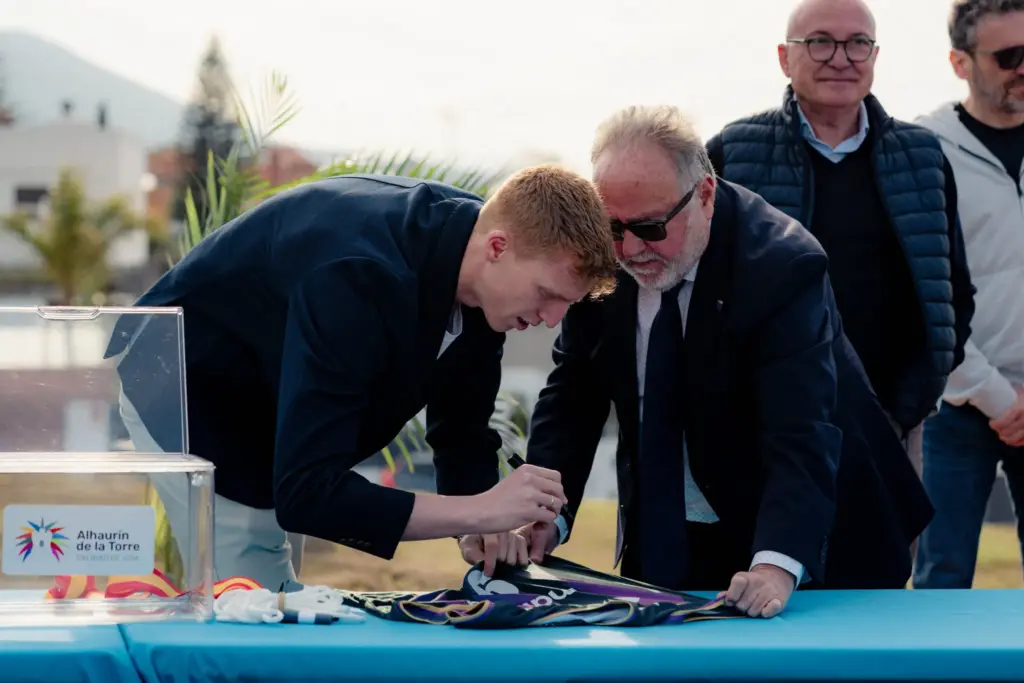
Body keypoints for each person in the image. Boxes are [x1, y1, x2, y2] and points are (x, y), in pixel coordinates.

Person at [462, 105, 934, 618]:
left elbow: (801, 430)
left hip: (815, 533)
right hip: (672, 526)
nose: (629, 249)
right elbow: (573, 397)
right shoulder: (603, 254)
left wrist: (776, 563)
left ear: (705, 195)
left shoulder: (782, 265)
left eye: (649, 227)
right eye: (613, 227)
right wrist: (542, 514)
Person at [105, 167, 618, 590]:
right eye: (547, 294)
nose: (553, 319)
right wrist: (480, 508)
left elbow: (460, 431)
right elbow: (306, 494)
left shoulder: (482, 271)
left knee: (278, 595)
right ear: (498, 247)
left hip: (269, 397)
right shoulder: (358, 276)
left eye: (566, 306)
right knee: (257, 613)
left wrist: (481, 524)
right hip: (186, 387)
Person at [704, 0, 975, 482]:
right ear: (785, 58)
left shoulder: (924, 157)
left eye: (857, 43)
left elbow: (953, 290)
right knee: (771, 557)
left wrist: (915, 396)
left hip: (891, 423)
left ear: (874, 55)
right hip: (765, 428)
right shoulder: (731, 152)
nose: (841, 58)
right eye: (821, 42)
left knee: (884, 559)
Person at [912, 0, 1024, 589]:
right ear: (960, 62)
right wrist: (997, 397)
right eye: (1010, 56)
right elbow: (927, 293)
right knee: (941, 579)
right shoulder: (925, 148)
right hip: (956, 406)